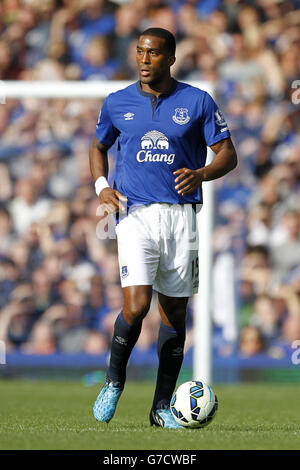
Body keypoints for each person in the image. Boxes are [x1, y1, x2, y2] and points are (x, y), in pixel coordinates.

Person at [89, 27, 237, 429]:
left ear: (170, 58)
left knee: (174, 313)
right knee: (136, 307)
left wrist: (202, 173)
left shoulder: (197, 101)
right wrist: (102, 187)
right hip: (134, 215)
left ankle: (159, 409)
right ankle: (113, 381)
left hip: (181, 217)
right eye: (139, 52)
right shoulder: (118, 103)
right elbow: (98, 146)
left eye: (153, 53)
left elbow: (228, 154)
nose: (143, 59)